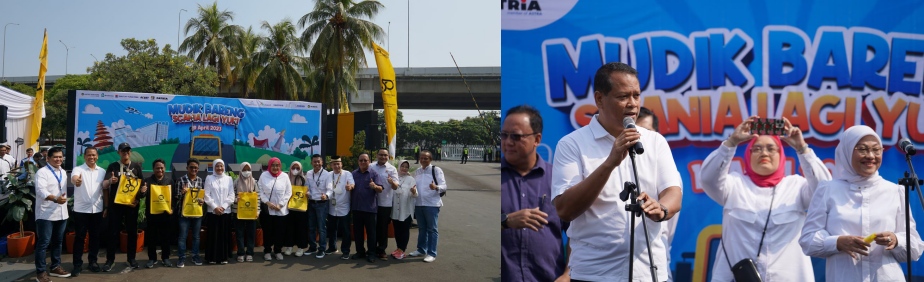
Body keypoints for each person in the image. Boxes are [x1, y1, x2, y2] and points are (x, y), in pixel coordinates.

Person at [552, 62, 682, 281]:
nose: (632, 104)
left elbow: (674, 193)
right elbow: (565, 210)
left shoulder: (654, 141)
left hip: (649, 271)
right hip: (595, 274)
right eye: (623, 97)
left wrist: (661, 208)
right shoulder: (572, 144)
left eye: (636, 95)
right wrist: (609, 163)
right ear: (599, 99)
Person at [699, 116, 831, 281]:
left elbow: (824, 189)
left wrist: (802, 148)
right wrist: (731, 142)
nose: (764, 153)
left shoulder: (796, 187)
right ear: (748, 155)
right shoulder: (734, 185)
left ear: (781, 154)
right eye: (757, 149)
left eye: (771, 148)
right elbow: (707, 179)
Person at [800, 125, 924, 281]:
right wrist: (837, 242)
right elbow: (807, 240)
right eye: (863, 149)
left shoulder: (894, 191)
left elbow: (915, 248)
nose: (871, 156)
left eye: (877, 150)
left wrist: (895, 239)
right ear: (847, 151)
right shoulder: (828, 190)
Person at [501, 104, 570, 281]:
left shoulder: (558, 179)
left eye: (516, 136)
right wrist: (505, 221)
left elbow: (578, 234)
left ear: (537, 139)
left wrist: (568, 274)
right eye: (504, 135)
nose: (508, 142)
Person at [636, 106, 677, 282]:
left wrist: (660, 210)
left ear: (657, 135)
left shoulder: (665, 170)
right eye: (635, 130)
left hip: (654, 267)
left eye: (647, 131)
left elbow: (671, 214)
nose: (640, 136)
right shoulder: (613, 163)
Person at [102, 143, 145, 271]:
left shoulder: (136, 166)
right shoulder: (113, 166)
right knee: (113, 233)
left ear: (130, 152)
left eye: (127, 150)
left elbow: (142, 185)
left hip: (131, 205)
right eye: (123, 150)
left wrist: (138, 198)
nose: (125, 152)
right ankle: (110, 260)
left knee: (132, 232)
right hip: (116, 205)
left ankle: (131, 259)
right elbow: (104, 184)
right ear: (118, 152)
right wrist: (110, 181)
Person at [34, 147, 71, 281]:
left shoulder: (63, 171)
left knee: (58, 241)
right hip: (46, 213)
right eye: (55, 157)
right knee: (44, 243)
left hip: (61, 213)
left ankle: (55, 267)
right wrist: (55, 198)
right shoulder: (42, 172)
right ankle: (41, 273)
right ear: (48, 158)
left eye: (60, 157)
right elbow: (41, 191)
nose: (58, 159)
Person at [69, 147, 106, 275]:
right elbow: (74, 178)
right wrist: (76, 181)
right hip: (81, 210)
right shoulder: (78, 169)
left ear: (97, 156)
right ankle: (77, 265)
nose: (91, 157)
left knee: (95, 237)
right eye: (89, 155)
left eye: (94, 155)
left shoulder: (102, 171)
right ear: (84, 157)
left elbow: (104, 188)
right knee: (80, 238)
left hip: (97, 209)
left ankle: (93, 262)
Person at [408, 150, 447, 263]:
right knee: (422, 228)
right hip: (419, 203)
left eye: (426, 158)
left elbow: (444, 186)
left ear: (431, 159)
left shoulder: (436, 170)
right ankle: (421, 249)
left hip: (431, 204)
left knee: (432, 229)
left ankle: (431, 253)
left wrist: (436, 187)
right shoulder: (418, 171)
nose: (423, 160)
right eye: (422, 158)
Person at [350, 153, 384, 263]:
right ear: (358, 161)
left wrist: (375, 186)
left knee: (371, 233)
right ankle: (360, 251)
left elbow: (380, 189)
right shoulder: (354, 174)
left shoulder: (374, 174)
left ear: (369, 161)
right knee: (358, 232)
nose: (363, 162)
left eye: (365, 160)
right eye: (361, 160)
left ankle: (371, 253)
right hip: (357, 208)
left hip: (370, 208)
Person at [141, 159, 175, 268]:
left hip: (165, 216)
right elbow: (142, 196)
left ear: (164, 169)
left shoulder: (169, 181)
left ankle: (165, 258)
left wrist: (172, 209)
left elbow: (173, 198)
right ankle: (152, 258)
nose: (159, 170)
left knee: (165, 238)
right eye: (157, 168)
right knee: (152, 238)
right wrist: (142, 191)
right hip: (152, 216)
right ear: (153, 169)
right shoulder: (147, 181)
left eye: (161, 168)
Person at [259, 157, 293, 261]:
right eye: (273, 165)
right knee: (268, 231)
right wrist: (267, 202)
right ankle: (267, 251)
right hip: (267, 210)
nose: (275, 167)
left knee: (280, 232)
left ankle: (278, 251)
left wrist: (281, 204)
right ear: (269, 165)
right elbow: (260, 191)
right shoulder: (264, 175)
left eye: (277, 165)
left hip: (281, 211)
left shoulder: (285, 176)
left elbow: (288, 192)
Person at [175, 158, 205, 268]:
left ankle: (195, 255)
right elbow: (176, 198)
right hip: (184, 214)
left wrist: (202, 201)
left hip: (196, 213)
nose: (194, 169)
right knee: (182, 237)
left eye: (196, 168)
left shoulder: (201, 181)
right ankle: (181, 257)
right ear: (187, 168)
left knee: (196, 237)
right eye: (191, 167)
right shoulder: (181, 180)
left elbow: (202, 197)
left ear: (198, 169)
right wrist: (182, 193)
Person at [204, 159, 234, 265]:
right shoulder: (209, 178)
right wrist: (215, 207)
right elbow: (206, 195)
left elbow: (231, 195)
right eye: (217, 166)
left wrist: (224, 207)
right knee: (213, 235)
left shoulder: (229, 179)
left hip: (225, 212)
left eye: (221, 166)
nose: (219, 168)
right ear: (213, 167)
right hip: (213, 212)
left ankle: (223, 257)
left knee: (223, 235)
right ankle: (212, 257)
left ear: (224, 167)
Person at [372, 148, 399, 261]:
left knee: (383, 228)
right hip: (371, 202)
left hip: (385, 203)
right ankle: (372, 250)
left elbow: (396, 186)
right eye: (381, 155)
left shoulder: (392, 169)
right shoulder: (371, 166)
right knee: (372, 227)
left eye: (385, 155)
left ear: (388, 156)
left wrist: (392, 182)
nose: (383, 157)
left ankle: (382, 249)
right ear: (377, 155)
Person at [326, 156, 354, 260]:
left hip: (343, 207)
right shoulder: (329, 175)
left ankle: (345, 251)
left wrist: (349, 187)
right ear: (331, 165)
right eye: (334, 164)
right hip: (332, 207)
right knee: (332, 229)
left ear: (341, 164)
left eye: (338, 163)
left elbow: (352, 184)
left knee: (346, 231)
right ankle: (332, 248)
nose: (336, 166)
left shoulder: (347, 174)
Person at [391, 161, 418, 259]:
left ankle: (403, 250)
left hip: (406, 210)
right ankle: (398, 248)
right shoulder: (394, 178)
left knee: (404, 230)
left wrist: (414, 191)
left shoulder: (410, 179)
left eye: (406, 167)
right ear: (399, 167)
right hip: (395, 210)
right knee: (397, 230)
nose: (404, 168)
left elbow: (415, 195)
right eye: (402, 166)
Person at [307, 154, 332, 258]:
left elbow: (330, 189)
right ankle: (312, 247)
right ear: (311, 163)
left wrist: (326, 196)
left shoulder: (327, 174)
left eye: (318, 161)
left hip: (322, 204)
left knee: (321, 228)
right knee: (311, 227)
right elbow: (306, 186)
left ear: (322, 163)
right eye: (314, 162)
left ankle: (322, 249)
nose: (317, 163)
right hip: (311, 203)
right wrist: (307, 192)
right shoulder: (308, 173)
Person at [233, 162, 259, 262]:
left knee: (251, 233)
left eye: (248, 170)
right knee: (239, 233)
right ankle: (240, 253)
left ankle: (249, 253)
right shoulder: (236, 182)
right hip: (238, 212)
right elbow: (231, 195)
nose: (246, 172)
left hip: (251, 212)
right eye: (244, 170)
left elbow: (258, 197)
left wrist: (258, 211)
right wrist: (236, 199)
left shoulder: (254, 182)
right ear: (240, 170)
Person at [283, 161, 310, 256]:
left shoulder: (304, 179)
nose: (295, 170)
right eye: (293, 168)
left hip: (301, 208)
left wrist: (307, 194)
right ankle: (289, 246)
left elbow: (308, 190)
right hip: (289, 208)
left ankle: (300, 247)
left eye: (297, 168)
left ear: (301, 169)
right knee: (289, 228)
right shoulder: (286, 178)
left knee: (301, 228)